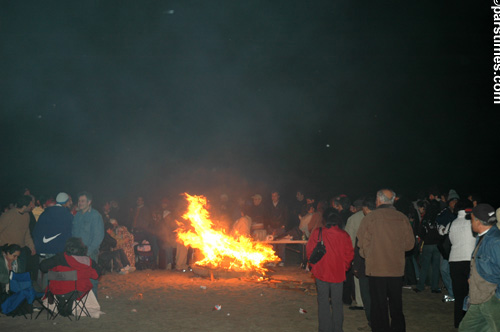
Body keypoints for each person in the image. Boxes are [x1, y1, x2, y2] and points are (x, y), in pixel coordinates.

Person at [357, 189, 415, 332]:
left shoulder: (370, 218)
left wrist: (368, 255)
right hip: (396, 269)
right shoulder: (402, 218)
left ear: (379, 200)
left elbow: (361, 244)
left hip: (376, 269)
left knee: (378, 305)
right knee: (396, 304)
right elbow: (409, 245)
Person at [307, 208, 354, 332]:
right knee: (337, 303)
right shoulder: (344, 235)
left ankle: (324, 328)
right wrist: (344, 267)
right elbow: (349, 254)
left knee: (323, 302)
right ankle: (337, 328)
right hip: (337, 274)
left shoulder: (318, 232)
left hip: (321, 272)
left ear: (325, 219)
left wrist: (314, 266)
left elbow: (309, 251)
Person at [459, 204, 500, 331]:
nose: (471, 223)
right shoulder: (483, 237)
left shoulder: (495, 241)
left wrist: (497, 297)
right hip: (478, 299)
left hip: (491, 299)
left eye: (471, 219)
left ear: (478, 221)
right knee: (466, 329)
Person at [39, 237, 100, 316]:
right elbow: (96, 275)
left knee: (57, 275)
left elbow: (43, 267)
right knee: (77, 282)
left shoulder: (60, 257)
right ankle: (69, 304)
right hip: (78, 291)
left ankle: (61, 302)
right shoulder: (88, 260)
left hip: (58, 290)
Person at [447, 200, 475, 328]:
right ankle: (470, 323)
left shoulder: (453, 223)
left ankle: (458, 323)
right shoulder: (472, 222)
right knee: (472, 294)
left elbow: (451, 240)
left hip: (455, 261)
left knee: (459, 295)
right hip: (469, 260)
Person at [71, 191, 104, 297]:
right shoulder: (77, 216)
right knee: (78, 279)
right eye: (79, 201)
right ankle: (80, 301)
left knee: (92, 279)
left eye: (82, 201)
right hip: (77, 253)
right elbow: (73, 234)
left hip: (90, 254)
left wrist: (89, 251)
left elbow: (98, 236)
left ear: (89, 202)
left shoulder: (95, 216)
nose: (80, 203)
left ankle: (92, 303)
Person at [0, 195, 36, 273]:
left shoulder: (27, 216)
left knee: (20, 273)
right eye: (31, 204)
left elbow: (26, 233)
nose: (33, 206)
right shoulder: (8, 215)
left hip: (21, 249)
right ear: (24, 206)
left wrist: (32, 247)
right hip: (8, 250)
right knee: (6, 274)